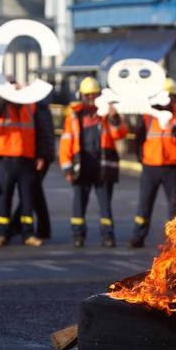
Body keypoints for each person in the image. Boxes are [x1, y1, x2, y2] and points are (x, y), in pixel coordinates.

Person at [59, 76, 128, 248]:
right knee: (78, 205)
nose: (91, 98)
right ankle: (78, 235)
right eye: (87, 95)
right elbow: (66, 142)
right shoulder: (74, 116)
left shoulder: (106, 115)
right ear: (81, 95)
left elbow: (119, 134)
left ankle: (107, 236)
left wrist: (114, 118)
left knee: (105, 205)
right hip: (80, 167)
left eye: (94, 95)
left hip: (102, 167)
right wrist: (67, 168)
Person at [129, 78, 176, 248]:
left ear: (175, 98)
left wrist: (174, 128)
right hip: (150, 167)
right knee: (144, 204)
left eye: (170, 97)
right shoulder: (148, 116)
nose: (168, 101)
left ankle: (174, 241)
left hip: (172, 167)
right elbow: (138, 139)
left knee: (174, 206)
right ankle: (138, 236)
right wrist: (141, 159)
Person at [0, 91, 47, 247]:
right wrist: (5, 95)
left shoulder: (30, 105)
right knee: (3, 198)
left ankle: (28, 233)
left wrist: (40, 155)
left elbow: (39, 131)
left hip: (26, 159)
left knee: (27, 199)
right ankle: (2, 234)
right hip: (4, 158)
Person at [12, 94, 55, 239]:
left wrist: (40, 156)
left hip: (39, 156)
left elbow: (41, 134)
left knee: (34, 193)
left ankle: (41, 228)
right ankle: (18, 224)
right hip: (41, 155)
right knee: (33, 192)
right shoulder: (41, 106)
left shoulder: (37, 107)